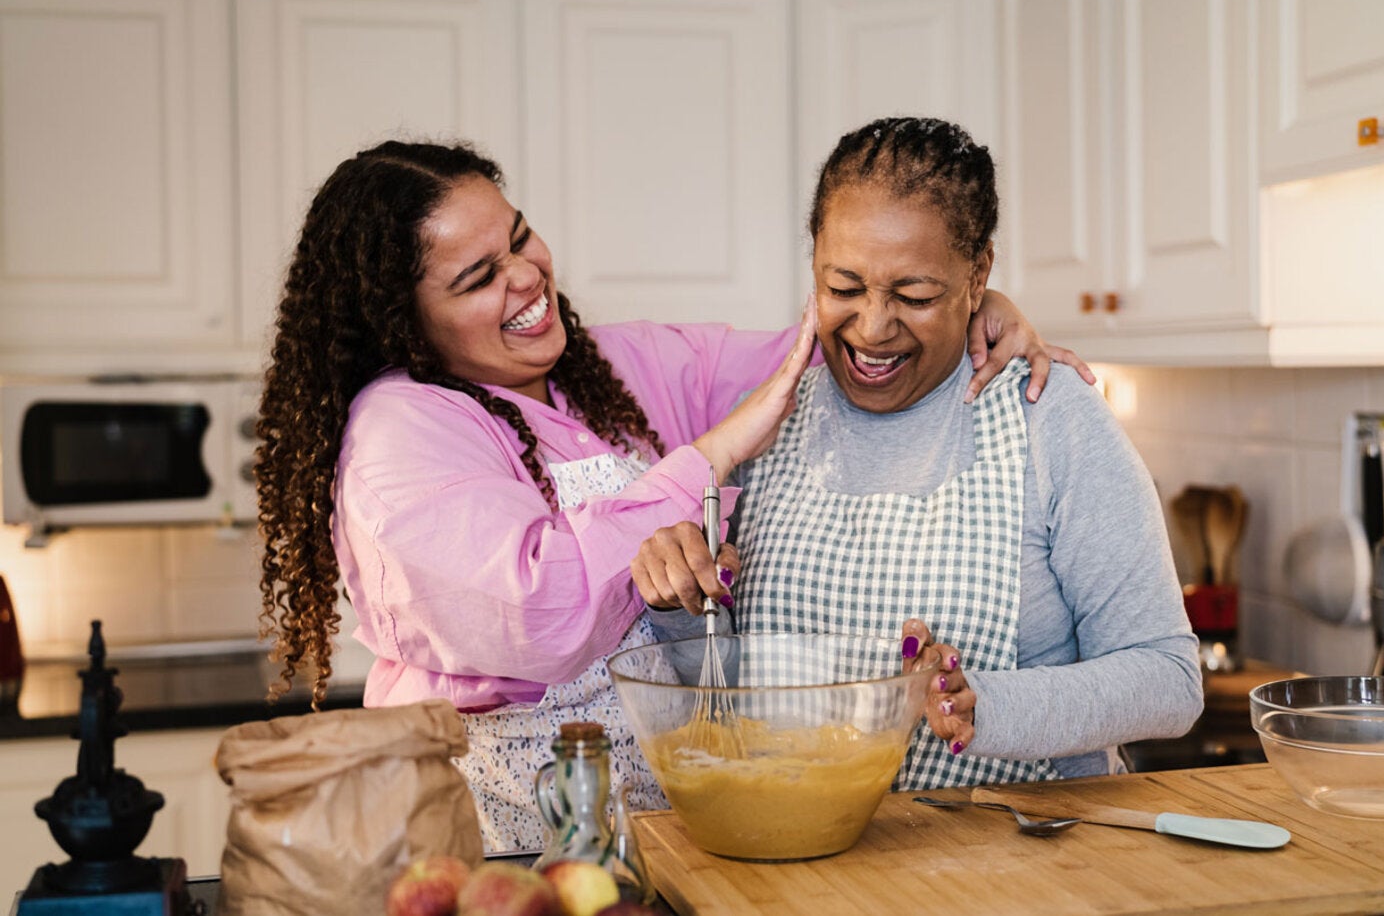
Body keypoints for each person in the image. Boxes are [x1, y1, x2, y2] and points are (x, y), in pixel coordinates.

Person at [253, 139, 1089, 852]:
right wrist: (710, 454)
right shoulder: (399, 431)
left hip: (659, 818)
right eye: (478, 276)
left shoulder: (603, 370)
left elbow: (829, 351)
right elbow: (541, 613)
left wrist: (965, 307)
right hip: (506, 837)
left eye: (518, 239)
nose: (525, 276)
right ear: (406, 319)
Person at [633, 117, 1203, 790]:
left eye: (915, 295)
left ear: (978, 273)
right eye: (842, 287)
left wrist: (982, 705)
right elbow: (728, 703)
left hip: (1020, 871)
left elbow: (1169, 679)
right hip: (807, 866)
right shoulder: (768, 424)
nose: (872, 327)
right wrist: (678, 605)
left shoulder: (1050, 417)